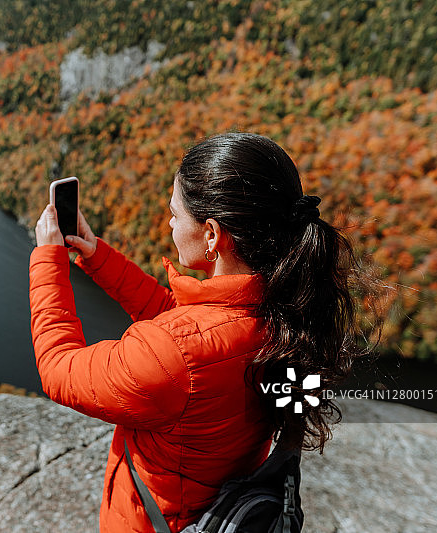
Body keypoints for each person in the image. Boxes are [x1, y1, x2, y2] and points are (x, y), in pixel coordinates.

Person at [29, 132, 363, 532]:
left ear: (211, 234)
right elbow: (189, 332)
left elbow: (58, 368)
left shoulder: (177, 353)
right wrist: (97, 256)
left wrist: (48, 258)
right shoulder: (287, 309)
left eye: (175, 213)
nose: (170, 222)